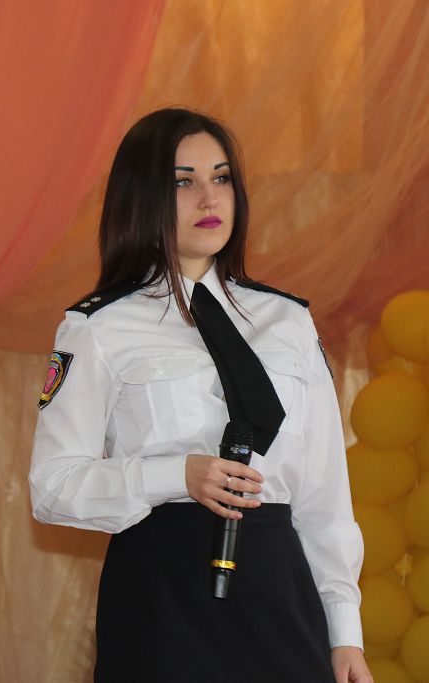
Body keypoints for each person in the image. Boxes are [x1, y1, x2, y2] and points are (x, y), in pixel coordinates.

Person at [28, 109, 372, 683]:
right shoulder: (98, 326)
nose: (209, 198)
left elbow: (325, 497)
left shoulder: (288, 320)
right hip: (160, 591)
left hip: (279, 589)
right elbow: (53, 487)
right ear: (141, 196)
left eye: (222, 178)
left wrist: (345, 634)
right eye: (182, 182)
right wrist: (174, 475)